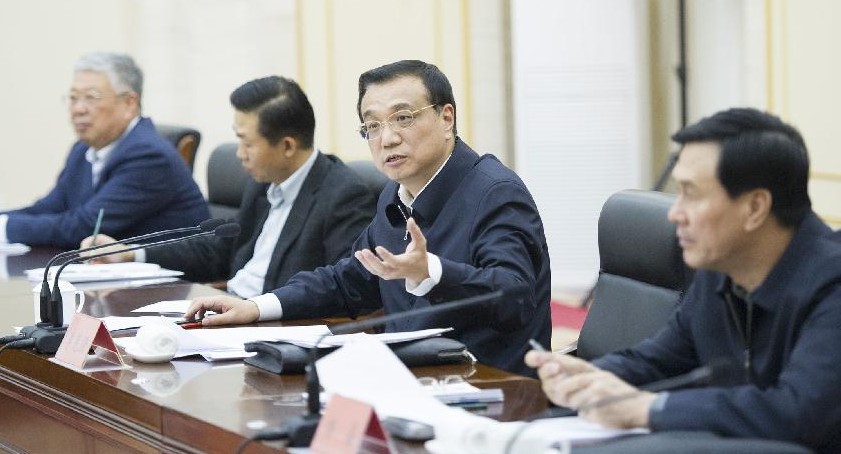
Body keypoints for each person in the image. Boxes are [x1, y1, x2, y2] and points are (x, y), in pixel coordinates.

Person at [184, 60, 552, 376]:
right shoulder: (394, 194)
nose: (387, 138)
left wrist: (433, 272)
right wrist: (255, 307)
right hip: (408, 380)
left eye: (403, 118)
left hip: (489, 387)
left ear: (446, 118)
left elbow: (514, 295)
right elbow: (350, 279)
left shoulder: (496, 192)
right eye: (372, 126)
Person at [525, 108, 841, 453]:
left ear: (755, 208)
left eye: (691, 193)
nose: (675, 213)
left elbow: (797, 414)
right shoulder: (720, 269)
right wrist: (588, 376)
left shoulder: (831, 283)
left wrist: (647, 409)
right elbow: (661, 357)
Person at [81, 76, 377, 298]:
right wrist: (131, 253)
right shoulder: (263, 184)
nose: (239, 154)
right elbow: (219, 249)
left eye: (247, 143)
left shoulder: (342, 195)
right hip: (229, 309)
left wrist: (255, 309)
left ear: (287, 146)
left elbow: (341, 288)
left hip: (277, 326)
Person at [0, 52, 209, 249]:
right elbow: (49, 208)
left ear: (129, 103)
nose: (78, 109)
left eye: (91, 97)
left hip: (171, 283)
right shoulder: (83, 149)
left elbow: (86, 226)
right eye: (73, 98)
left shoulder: (149, 156)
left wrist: (5, 228)